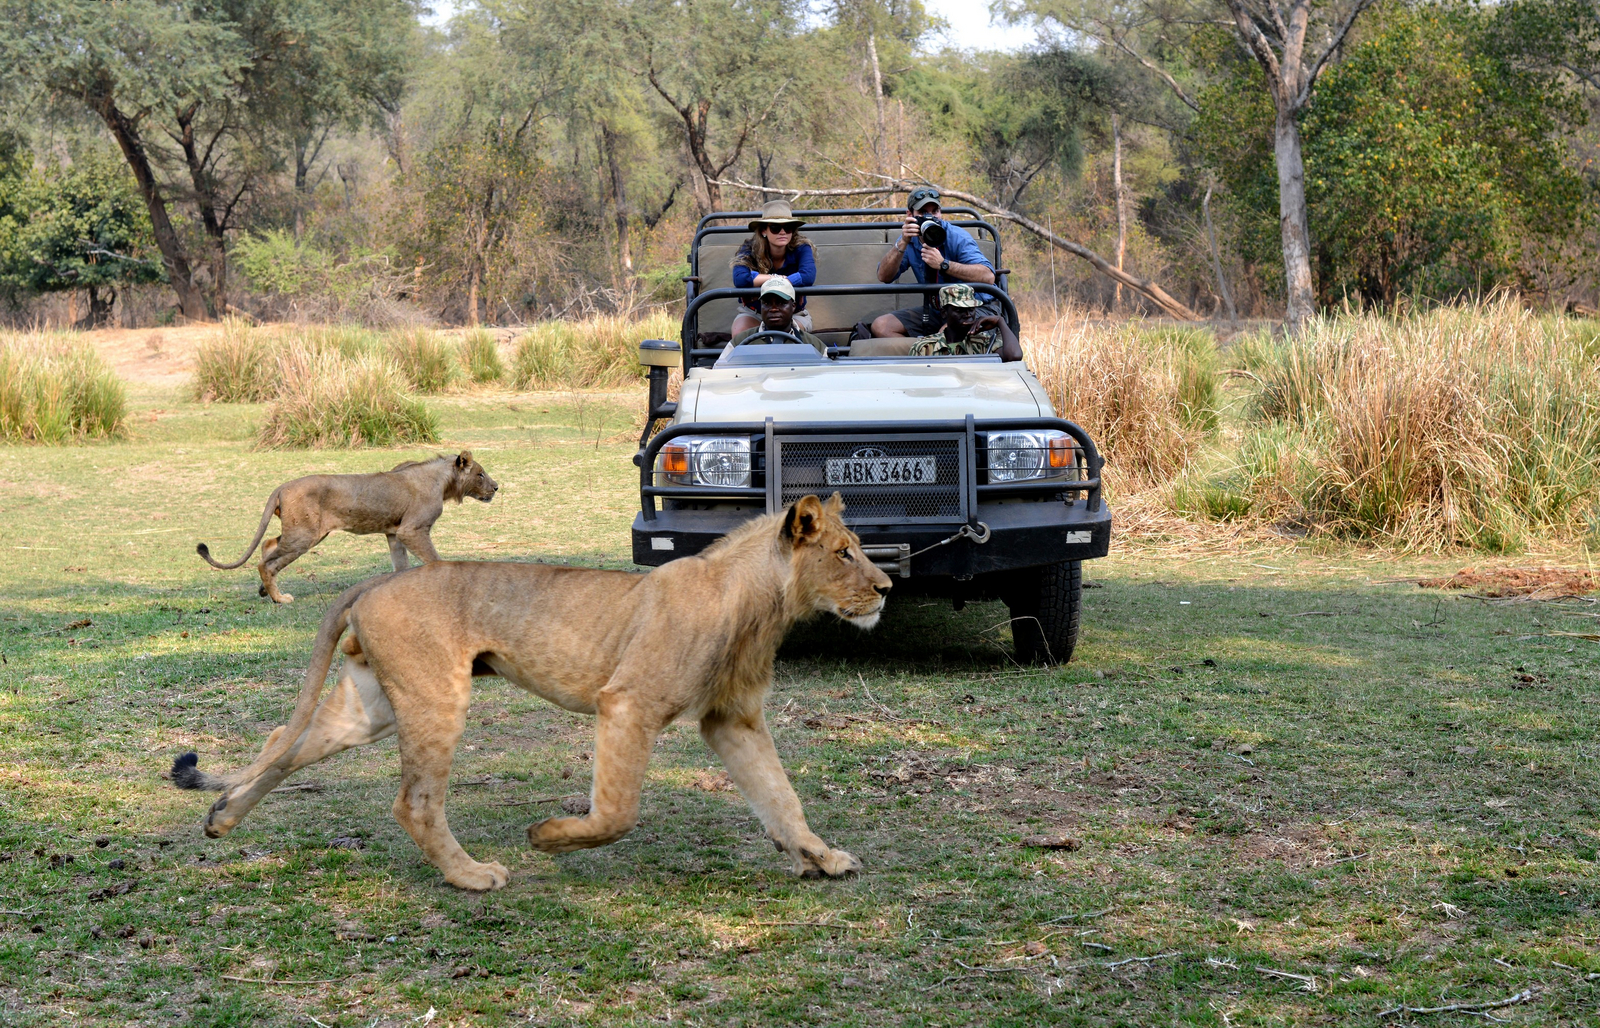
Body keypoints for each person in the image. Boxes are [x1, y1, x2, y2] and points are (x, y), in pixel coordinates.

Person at [871, 186, 998, 338]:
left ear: (940, 212)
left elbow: (988, 276)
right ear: (910, 215)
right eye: (923, 212)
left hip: (975, 307)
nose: (930, 217)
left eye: (934, 211)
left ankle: (935, 348)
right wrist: (902, 243)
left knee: (946, 334)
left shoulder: (957, 237)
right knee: (881, 326)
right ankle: (921, 354)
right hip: (940, 310)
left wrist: (944, 264)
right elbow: (884, 276)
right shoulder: (909, 239)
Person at [730, 200, 816, 336]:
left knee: (789, 336)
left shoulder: (802, 248)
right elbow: (740, 279)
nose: (782, 232)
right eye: (775, 228)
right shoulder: (749, 249)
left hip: (793, 314)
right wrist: (775, 278)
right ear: (764, 230)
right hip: (755, 314)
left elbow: (807, 276)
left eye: (788, 228)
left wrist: (759, 279)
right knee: (740, 334)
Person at [716, 277, 829, 364]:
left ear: (793, 306)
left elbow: (827, 377)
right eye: (767, 303)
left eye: (781, 303)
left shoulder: (813, 344)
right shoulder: (740, 342)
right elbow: (721, 374)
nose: (774, 308)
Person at [906, 284, 1023, 361]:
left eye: (971, 309)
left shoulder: (984, 343)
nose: (968, 315)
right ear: (944, 313)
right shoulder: (925, 347)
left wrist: (1000, 321)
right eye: (959, 310)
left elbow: (1014, 356)